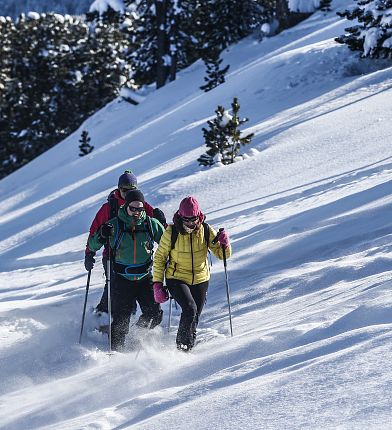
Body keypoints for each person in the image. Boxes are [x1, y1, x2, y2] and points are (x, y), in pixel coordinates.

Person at [88, 189, 165, 351]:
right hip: (122, 280)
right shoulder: (114, 225)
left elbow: (169, 244)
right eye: (133, 208)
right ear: (126, 207)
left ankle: (136, 336)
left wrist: (165, 225)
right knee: (121, 321)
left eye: (140, 209)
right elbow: (93, 244)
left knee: (154, 315)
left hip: (145, 278)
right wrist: (101, 235)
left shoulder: (151, 224)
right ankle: (116, 353)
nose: (136, 212)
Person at [152, 196, 231, 352]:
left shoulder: (206, 230)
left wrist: (225, 244)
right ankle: (181, 348)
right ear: (180, 216)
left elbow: (222, 255)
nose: (190, 223)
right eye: (186, 219)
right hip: (177, 277)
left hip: (201, 278)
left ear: (198, 216)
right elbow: (160, 258)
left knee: (194, 317)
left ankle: (188, 348)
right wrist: (157, 284)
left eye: (193, 219)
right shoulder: (171, 232)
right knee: (189, 309)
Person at [84, 170, 166, 314]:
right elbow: (95, 231)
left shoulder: (141, 206)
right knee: (112, 287)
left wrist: (162, 222)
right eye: (124, 190)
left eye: (131, 190)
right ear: (118, 189)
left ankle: (124, 319)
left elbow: (159, 230)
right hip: (112, 255)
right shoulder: (109, 208)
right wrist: (89, 253)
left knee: (130, 295)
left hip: (139, 260)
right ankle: (102, 315)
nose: (128, 193)